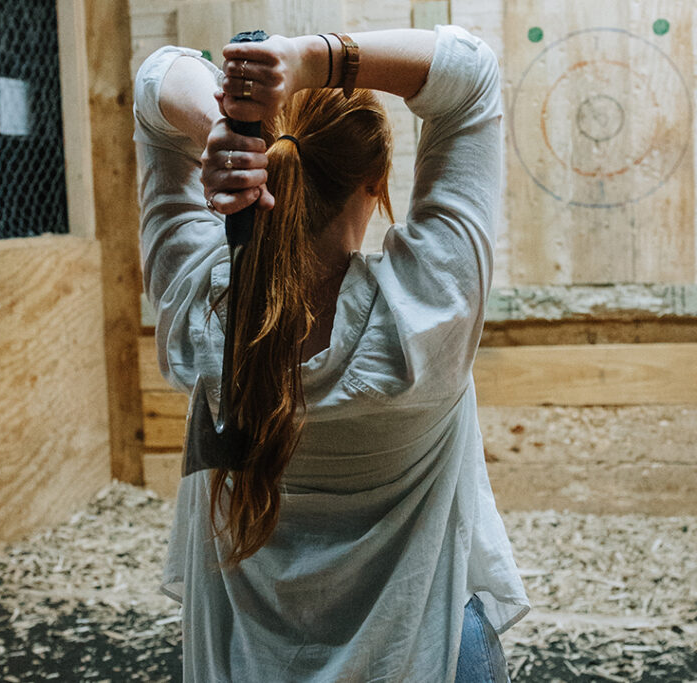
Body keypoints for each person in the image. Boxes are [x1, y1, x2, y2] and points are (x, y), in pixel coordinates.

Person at [133, 23, 530, 682]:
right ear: (376, 179)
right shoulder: (427, 310)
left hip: (248, 666)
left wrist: (221, 127)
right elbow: (472, 73)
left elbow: (154, 82)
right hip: (425, 663)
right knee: (463, 625)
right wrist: (311, 57)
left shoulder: (195, 305)